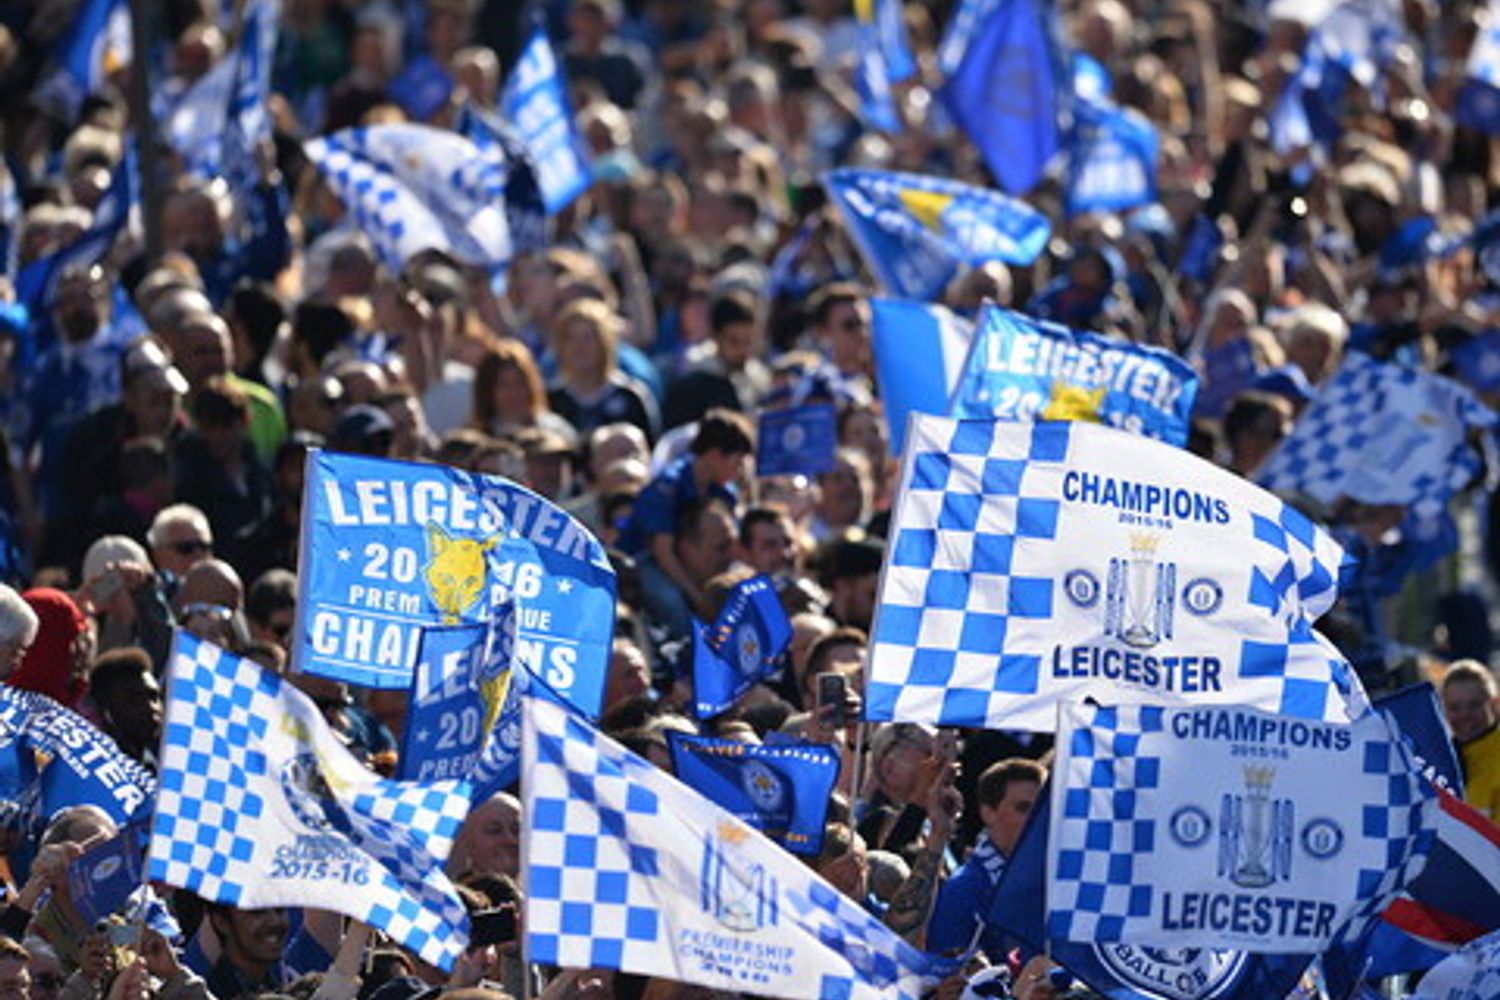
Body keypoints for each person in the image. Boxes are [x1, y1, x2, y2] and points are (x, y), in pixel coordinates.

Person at [926, 758, 1047, 959]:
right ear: (988, 812)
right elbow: (948, 977)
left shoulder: (1057, 880)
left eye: (1042, 808)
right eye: (1023, 808)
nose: (1036, 818)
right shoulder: (964, 890)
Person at [1442, 660, 1499, 820]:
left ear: (1495, 705)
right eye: (1454, 707)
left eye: (1474, 705)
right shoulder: (1440, 760)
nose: (1464, 715)